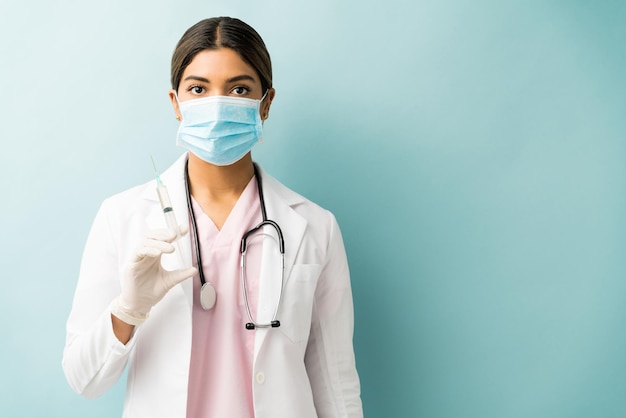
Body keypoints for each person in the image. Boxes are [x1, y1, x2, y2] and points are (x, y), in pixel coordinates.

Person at [62, 16, 363, 418]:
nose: (217, 105)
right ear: (176, 104)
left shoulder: (315, 226)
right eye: (198, 89)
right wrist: (128, 309)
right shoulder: (123, 216)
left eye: (238, 89)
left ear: (266, 103)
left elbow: (336, 384)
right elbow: (85, 380)